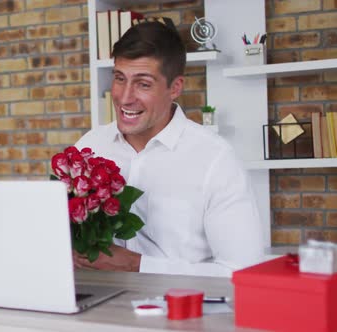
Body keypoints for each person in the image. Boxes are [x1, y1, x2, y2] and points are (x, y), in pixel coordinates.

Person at [73, 21, 264, 277]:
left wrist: (137, 264)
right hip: (91, 305)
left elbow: (243, 273)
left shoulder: (215, 160)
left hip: (181, 311)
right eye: (119, 78)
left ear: (175, 88)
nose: (125, 97)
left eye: (143, 84)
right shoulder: (89, 146)